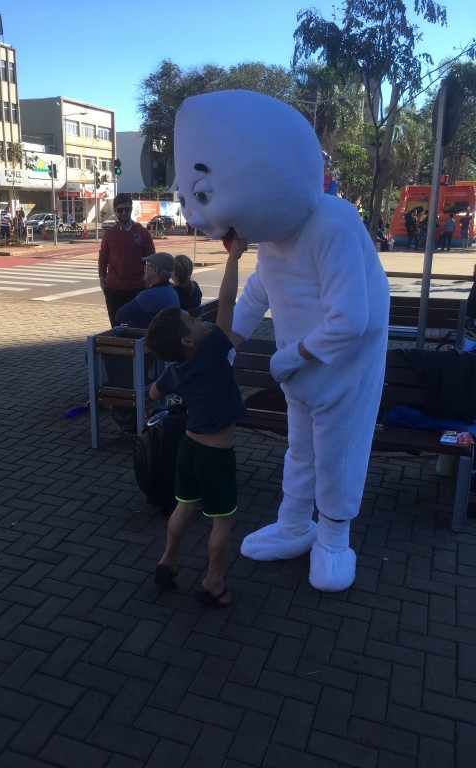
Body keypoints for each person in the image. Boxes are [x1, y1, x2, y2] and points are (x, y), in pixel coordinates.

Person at [174, 89, 390, 592]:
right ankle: (294, 523)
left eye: (202, 194)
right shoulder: (271, 238)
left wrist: (290, 357)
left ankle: (334, 537)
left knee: (337, 451)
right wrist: (222, 348)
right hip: (299, 371)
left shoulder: (333, 224)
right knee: (300, 450)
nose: (195, 216)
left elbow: (351, 319)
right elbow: (257, 294)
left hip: (341, 367)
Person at [145, 235, 249, 607]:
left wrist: (164, 394)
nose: (199, 318)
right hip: (215, 457)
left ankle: (167, 561)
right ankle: (214, 581)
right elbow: (227, 301)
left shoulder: (176, 370)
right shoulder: (213, 352)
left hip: (188, 449)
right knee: (222, 520)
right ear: (188, 342)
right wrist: (234, 257)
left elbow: (153, 393)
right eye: (192, 320)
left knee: (184, 507)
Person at [98, 193, 155, 327]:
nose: (124, 213)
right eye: (120, 210)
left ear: (131, 209)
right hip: (113, 289)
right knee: (116, 327)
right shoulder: (109, 234)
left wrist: (148, 282)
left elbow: (152, 259)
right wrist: (102, 282)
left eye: (127, 209)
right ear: (115, 211)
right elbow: (103, 258)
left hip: (137, 288)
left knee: (136, 327)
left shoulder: (142, 233)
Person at [115, 252, 180, 328]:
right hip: (163, 333)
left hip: (144, 334)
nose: (144, 269)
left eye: (147, 266)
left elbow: (119, 316)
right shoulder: (172, 291)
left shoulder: (149, 295)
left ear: (155, 270)